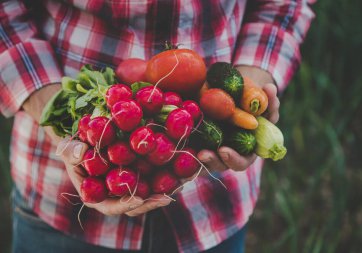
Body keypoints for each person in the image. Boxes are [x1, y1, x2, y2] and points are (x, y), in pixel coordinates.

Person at [0, 0, 315, 252]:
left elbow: (282, 5)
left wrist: (249, 88)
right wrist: (69, 125)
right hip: (61, 193)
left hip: (214, 203)